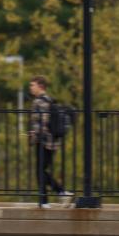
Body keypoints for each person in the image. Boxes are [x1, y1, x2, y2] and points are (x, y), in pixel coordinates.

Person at [28, 75, 71, 209]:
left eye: (32, 85)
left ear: (40, 86)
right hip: (53, 140)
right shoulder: (50, 100)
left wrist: (34, 135)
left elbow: (42, 121)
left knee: (40, 171)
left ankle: (53, 196)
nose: (30, 87)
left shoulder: (38, 102)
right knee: (42, 170)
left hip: (43, 140)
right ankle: (57, 194)